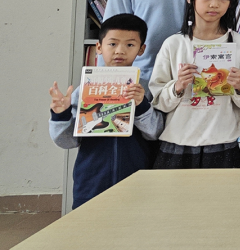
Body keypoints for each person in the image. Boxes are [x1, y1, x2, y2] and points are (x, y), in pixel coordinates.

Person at [48, 14, 163, 208]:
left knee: (134, 223)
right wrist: (61, 114)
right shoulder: (84, 90)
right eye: (112, 44)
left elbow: (155, 132)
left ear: (141, 49)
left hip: (137, 181)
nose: (120, 51)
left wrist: (141, 105)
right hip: (91, 181)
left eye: (130, 45)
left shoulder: (145, 89)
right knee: (89, 225)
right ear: (99, 47)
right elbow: (67, 141)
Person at [149, 0, 240, 169]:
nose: (214, 4)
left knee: (222, 192)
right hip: (179, 140)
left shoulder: (238, 43)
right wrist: (177, 86)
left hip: (222, 141)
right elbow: (158, 100)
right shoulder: (174, 44)